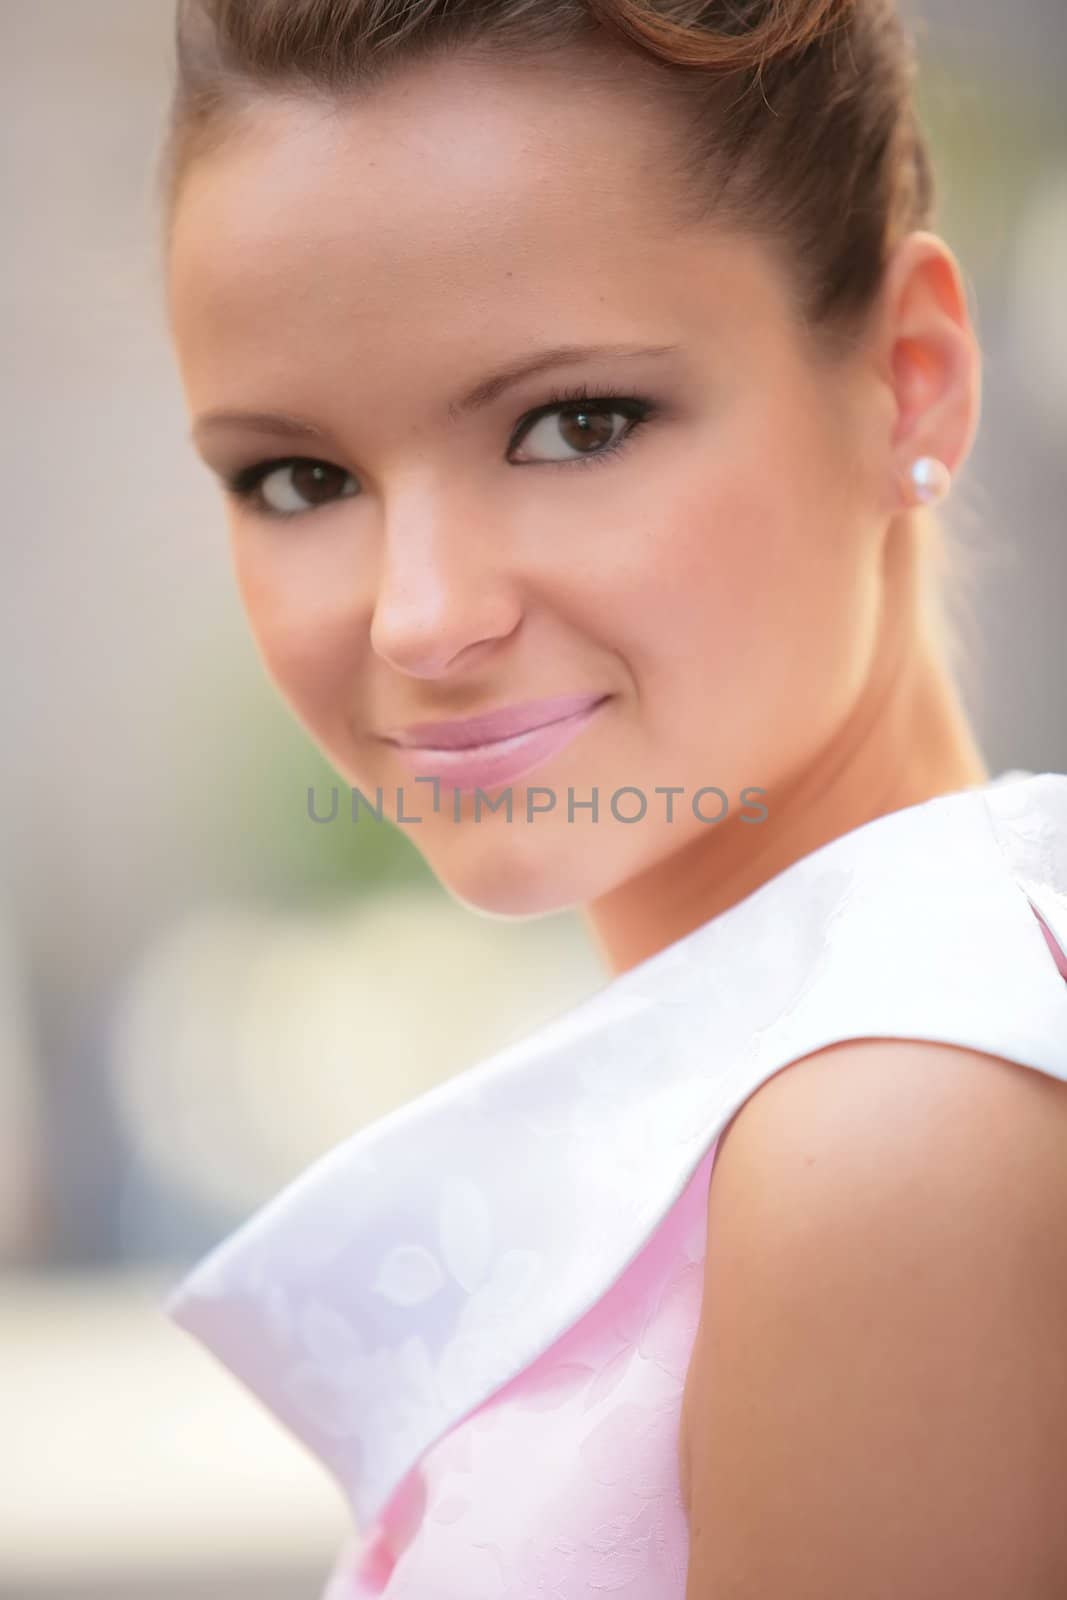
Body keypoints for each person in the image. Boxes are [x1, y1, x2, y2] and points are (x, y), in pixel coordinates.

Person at [157, 0, 1067, 1593]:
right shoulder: (844, 1064)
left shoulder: (894, 1138)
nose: (419, 618)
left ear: (910, 382)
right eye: (298, 478)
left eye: (576, 426)